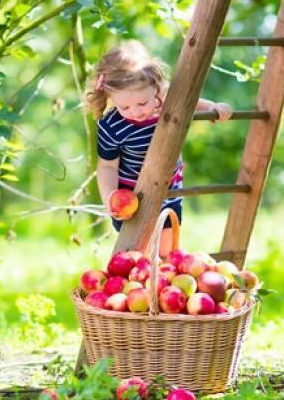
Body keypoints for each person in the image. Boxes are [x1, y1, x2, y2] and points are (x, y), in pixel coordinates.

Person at [85, 40, 232, 256]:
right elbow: (107, 167)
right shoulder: (111, 127)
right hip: (132, 194)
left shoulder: (165, 99)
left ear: (155, 87)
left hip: (168, 186)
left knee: (167, 248)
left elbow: (190, 101)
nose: (135, 111)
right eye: (124, 106)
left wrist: (213, 108)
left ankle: (162, 282)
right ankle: (141, 284)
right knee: (137, 250)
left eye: (142, 103)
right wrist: (110, 198)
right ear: (110, 97)